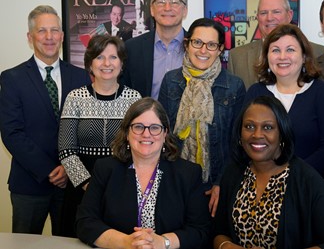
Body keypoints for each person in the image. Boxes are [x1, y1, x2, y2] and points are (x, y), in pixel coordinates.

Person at [0, 5, 91, 235]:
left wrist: (68, 168)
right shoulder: (12, 78)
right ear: (30, 37)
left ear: (62, 35)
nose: (49, 37)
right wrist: (50, 170)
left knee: (70, 243)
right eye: (42, 31)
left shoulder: (81, 77)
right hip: (29, 185)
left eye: (54, 30)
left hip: (72, 185)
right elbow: (12, 133)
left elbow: (85, 129)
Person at [214, 95, 324, 249]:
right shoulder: (233, 173)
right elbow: (219, 231)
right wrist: (226, 246)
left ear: (282, 134)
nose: (257, 135)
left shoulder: (306, 179)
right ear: (240, 134)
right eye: (249, 126)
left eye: (268, 127)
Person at [76, 97, 211, 249]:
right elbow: (85, 222)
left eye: (154, 127)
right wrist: (125, 242)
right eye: (138, 127)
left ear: (165, 133)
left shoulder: (188, 174)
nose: (146, 134)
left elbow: (200, 231)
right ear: (127, 133)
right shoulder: (105, 168)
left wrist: (163, 242)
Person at [158, 18, 245, 217]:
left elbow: (237, 142)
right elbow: (163, 135)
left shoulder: (234, 85)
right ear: (187, 44)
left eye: (211, 45)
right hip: (176, 180)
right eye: (197, 42)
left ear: (220, 49)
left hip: (215, 183)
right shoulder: (171, 81)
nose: (203, 50)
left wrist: (220, 183)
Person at [58, 35, 142, 237]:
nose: (106, 63)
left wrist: (113, 186)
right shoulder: (75, 97)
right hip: (81, 189)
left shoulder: (135, 99)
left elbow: (139, 147)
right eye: (99, 57)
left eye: (113, 57)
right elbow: (66, 149)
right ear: (90, 63)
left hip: (122, 188)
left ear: (121, 63)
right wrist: (90, 185)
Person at [244, 24, 324, 182]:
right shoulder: (255, 93)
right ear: (267, 56)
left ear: (304, 57)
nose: (282, 56)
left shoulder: (323, 93)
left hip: (310, 188)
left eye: (290, 49)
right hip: (261, 187)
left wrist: (289, 175)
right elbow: (241, 141)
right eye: (275, 50)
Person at [228, 0, 324, 89]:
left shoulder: (319, 53)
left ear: (289, 15)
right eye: (263, 13)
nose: (269, 18)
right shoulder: (237, 56)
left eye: (276, 12)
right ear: (257, 18)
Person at [122, 0, 188, 99]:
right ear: (152, 10)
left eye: (175, 2)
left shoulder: (199, 48)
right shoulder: (132, 48)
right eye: (161, 1)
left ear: (185, 10)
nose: (167, 7)